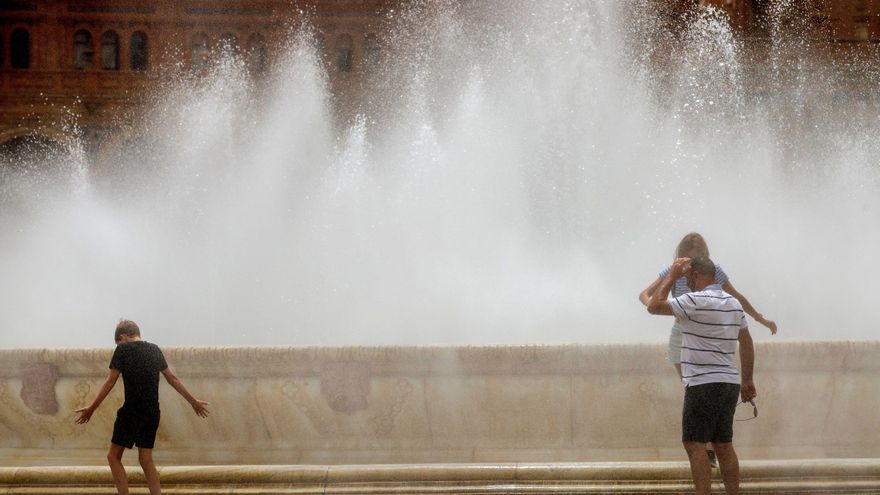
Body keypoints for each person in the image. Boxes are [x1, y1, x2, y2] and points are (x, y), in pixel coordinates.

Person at [638, 232, 774, 466]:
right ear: (681, 257)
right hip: (682, 329)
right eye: (689, 259)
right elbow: (645, 295)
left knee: (703, 386)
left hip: (708, 328)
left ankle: (710, 447)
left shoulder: (713, 270)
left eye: (698, 257)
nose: (693, 267)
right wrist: (660, 303)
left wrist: (759, 318)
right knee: (691, 385)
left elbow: (735, 296)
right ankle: (708, 446)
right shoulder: (673, 271)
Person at [647, 256, 756, 495]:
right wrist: (747, 380)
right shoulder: (733, 303)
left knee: (694, 444)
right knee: (724, 445)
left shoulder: (693, 301)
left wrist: (671, 278)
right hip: (728, 382)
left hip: (703, 382)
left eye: (688, 278)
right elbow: (746, 341)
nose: (688, 283)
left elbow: (653, 306)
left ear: (696, 275)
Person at [75, 320, 210, 495]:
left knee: (113, 457)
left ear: (122, 337)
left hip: (132, 410)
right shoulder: (154, 349)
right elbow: (172, 379)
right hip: (152, 412)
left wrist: (91, 408)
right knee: (146, 460)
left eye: (118, 342)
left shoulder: (123, 350)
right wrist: (193, 401)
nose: (119, 345)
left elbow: (110, 382)